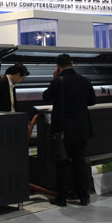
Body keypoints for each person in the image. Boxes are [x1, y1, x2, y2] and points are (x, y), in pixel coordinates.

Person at [42, 53, 96, 207]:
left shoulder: (58, 82)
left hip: (64, 129)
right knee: (79, 162)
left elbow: (46, 97)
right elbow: (92, 101)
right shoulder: (85, 80)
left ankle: (62, 198)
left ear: (58, 67)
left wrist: (54, 79)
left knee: (62, 164)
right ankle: (83, 196)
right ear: (72, 63)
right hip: (82, 128)